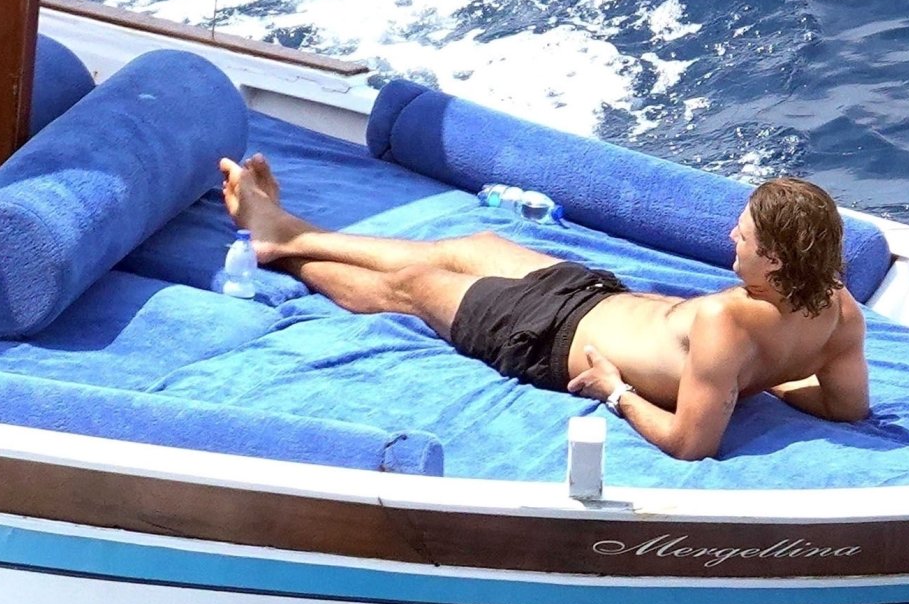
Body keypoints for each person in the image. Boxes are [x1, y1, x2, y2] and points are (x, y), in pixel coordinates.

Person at [219, 155, 871, 461]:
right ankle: (291, 230)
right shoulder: (839, 314)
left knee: (416, 287)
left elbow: (690, 443)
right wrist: (768, 380)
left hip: (548, 337)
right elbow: (846, 405)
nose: (731, 237)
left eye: (744, 237)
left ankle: (284, 251)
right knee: (473, 246)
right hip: (601, 296)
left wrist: (617, 392)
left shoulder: (726, 326)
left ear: (777, 261)